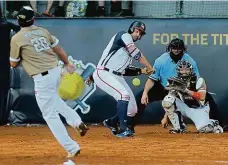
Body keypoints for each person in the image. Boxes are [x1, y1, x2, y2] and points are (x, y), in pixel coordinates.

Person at [9, 6, 88, 165]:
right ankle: (76, 122)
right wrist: (67, 63)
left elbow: (13, 64)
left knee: (49, 115)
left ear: (19, 21)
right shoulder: (42, 31)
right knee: (55, 101)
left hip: (42, 78)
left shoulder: (17, 38)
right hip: (56, 71)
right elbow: (58, 48)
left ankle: (71, 147)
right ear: (33, 19)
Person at [132, 38, 224, 131]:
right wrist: (145, 93)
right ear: (170, 48)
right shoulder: (161, 60)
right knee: (142, 98)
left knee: (207, 98)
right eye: (174, 48)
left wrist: (187, 90)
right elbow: (152, 79)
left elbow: (197, 82)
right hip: (165, 86)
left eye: (179, 48)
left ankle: (218, 123)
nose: (176, 50)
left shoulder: (190, 61)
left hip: (183, 89)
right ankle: (129, 125)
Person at [92, 21, 154, 137]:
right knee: (123, 95)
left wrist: (142, 71)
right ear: (131, 29)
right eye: (136, 31)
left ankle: (111, 122)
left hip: (116, 75)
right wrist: (149, 67)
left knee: (132, 110)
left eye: (140, 33)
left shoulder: (127, 52)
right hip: (104, 72)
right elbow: (136, 53)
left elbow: (124, 70)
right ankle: (124, 129)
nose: (137, 34)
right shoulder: (123, 35)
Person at [161, 60, 223, 133]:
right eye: (182, 70)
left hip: (199, 108)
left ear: (191, 70)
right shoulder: (175, 81)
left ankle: (215, 124)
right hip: (185, 107)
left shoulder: (199, 80)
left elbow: (201, 97)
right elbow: (171, 99)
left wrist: (185, 90)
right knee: (167, 100)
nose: (184, 72)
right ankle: (180, 128)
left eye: (186, 69)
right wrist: (165, 117)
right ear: (178, 71)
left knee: (204, 129)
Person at [0, 6, 20, 125]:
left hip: (3, 61)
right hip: (3, 62)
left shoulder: (6, 25)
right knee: (3, 90)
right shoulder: (7, 25)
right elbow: (21, 29)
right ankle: (2, 117)